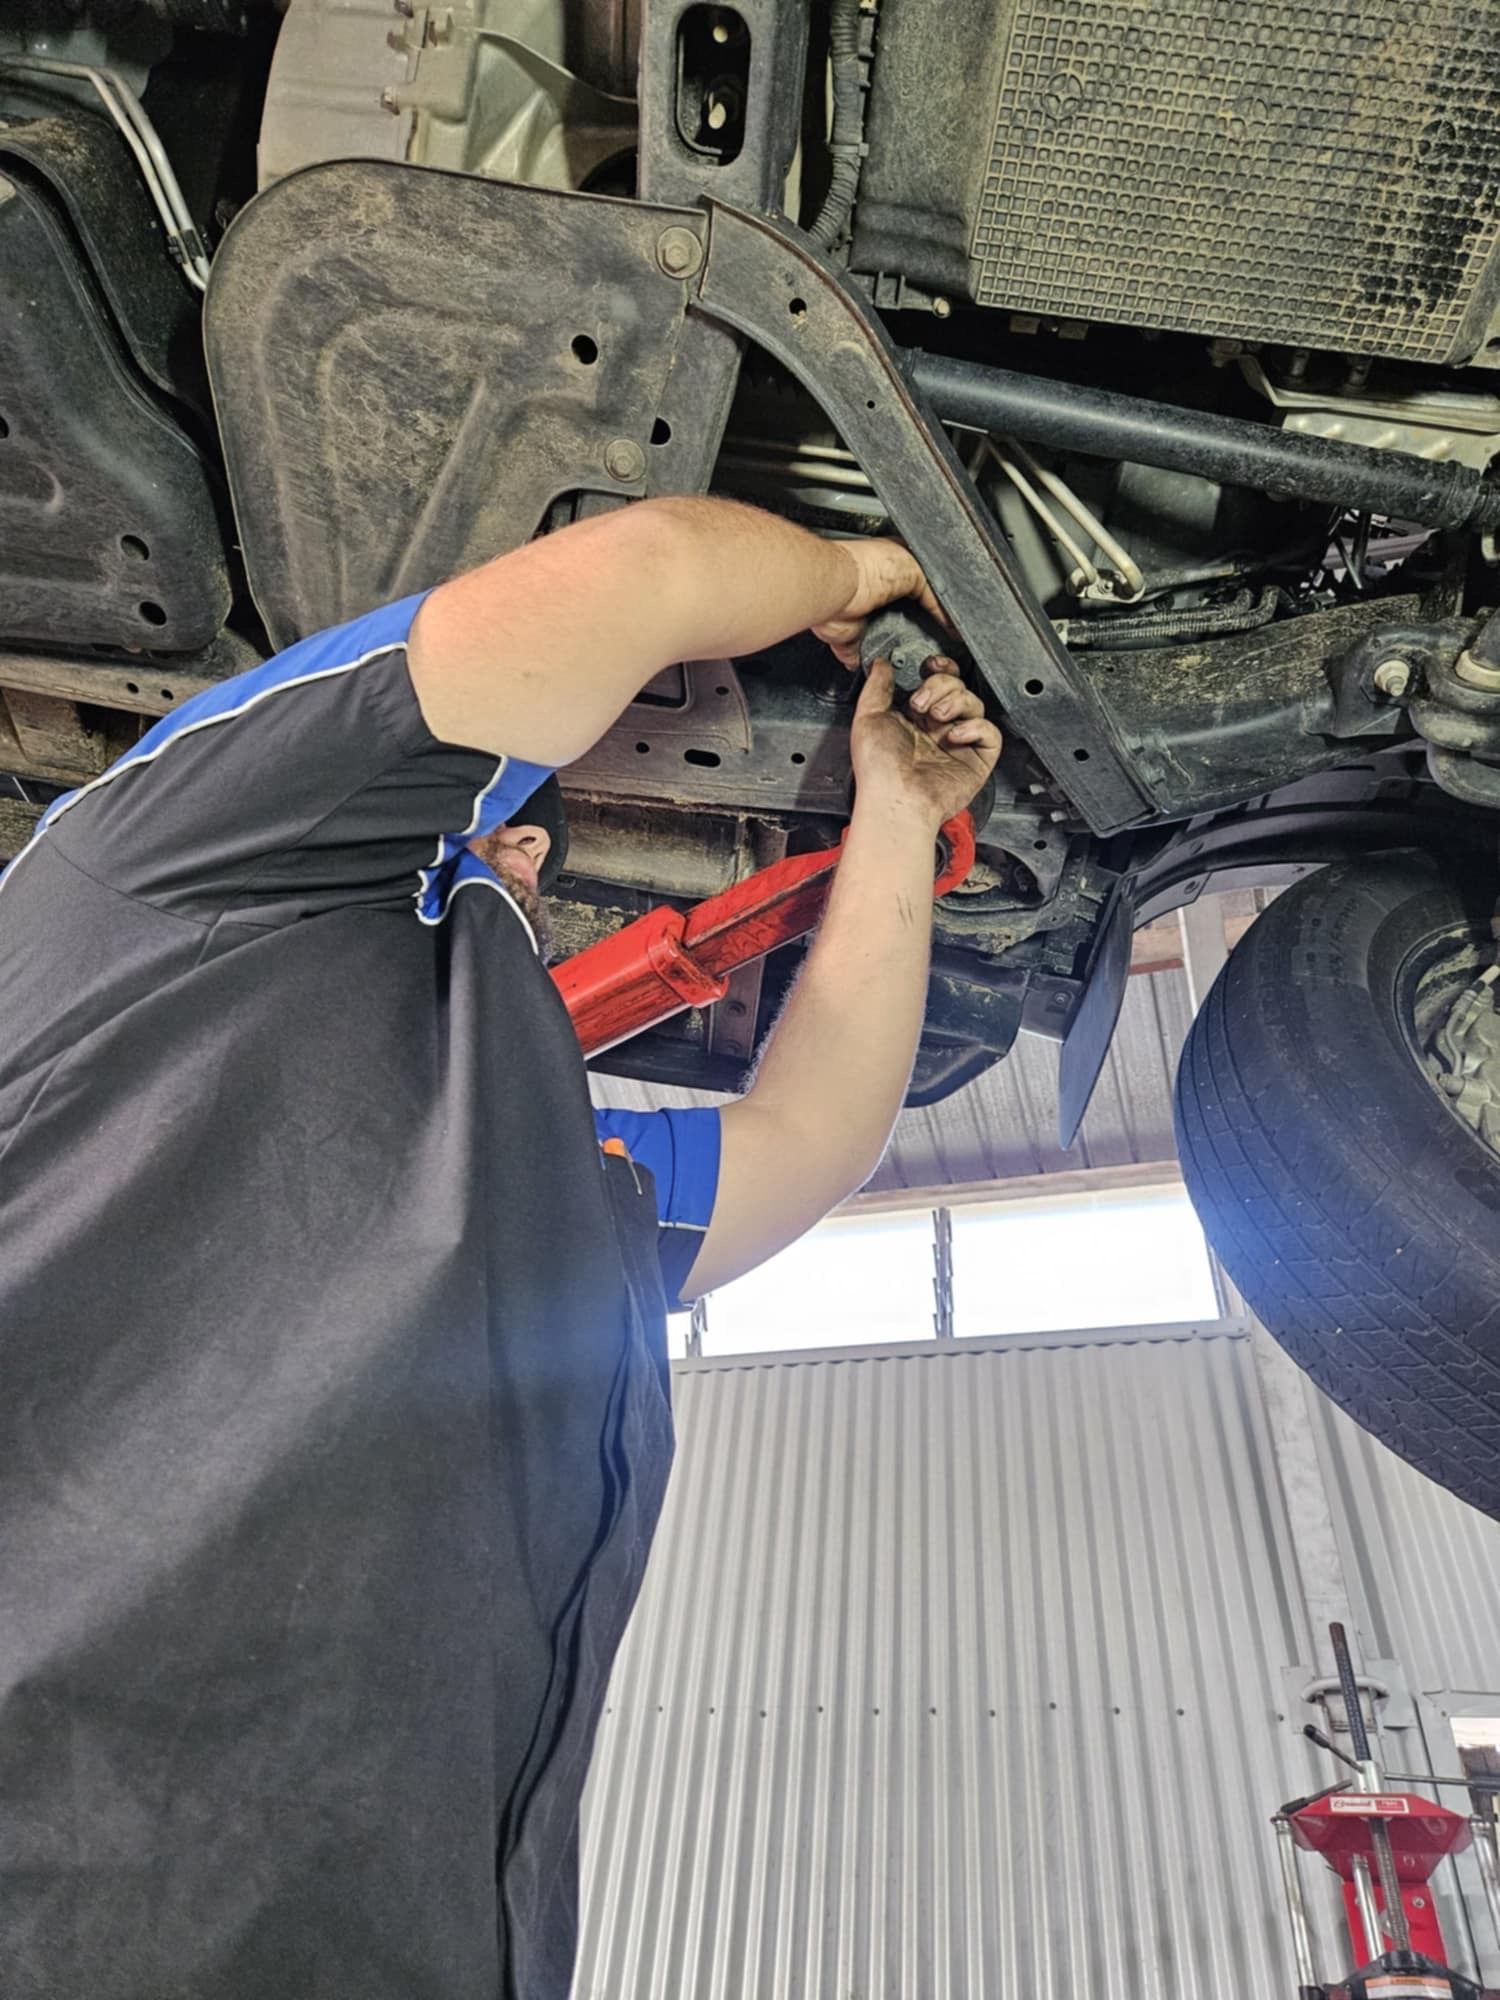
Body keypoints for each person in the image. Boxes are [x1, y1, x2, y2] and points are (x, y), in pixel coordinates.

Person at [0, 496, 1000, 1998]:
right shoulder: (152, 908)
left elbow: (629, 583)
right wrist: (883, 667)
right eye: (515, 833)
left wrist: (882, 686)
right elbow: (812, 1143)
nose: (535, 846)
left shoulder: (165, 912)